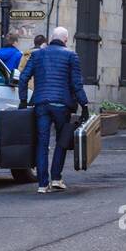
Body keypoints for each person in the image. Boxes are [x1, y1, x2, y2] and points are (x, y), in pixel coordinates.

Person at [18, 25, 89, 194]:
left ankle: (42, 184)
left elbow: (23, 78)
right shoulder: (71, 56)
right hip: (61, 106)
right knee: (61, 141)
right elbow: (76, 84)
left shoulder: (36, 55)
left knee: (42, 143)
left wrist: (23, 100)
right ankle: (56, 178)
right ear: (65, 39)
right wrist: (84, 105)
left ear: (51, 38)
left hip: (41, 104)